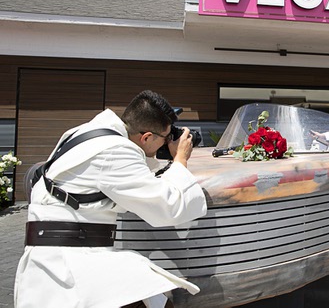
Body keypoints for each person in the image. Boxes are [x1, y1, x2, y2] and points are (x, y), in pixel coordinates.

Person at [14, 90, 208, 308]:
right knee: (152, 297)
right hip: (70, 265)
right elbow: (168, 207)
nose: (167, 143)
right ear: (146, 137)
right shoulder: (116, 150)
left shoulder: (84, 133)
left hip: (55, 254)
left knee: (153, 298)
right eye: (165, 138)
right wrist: (180, 158)